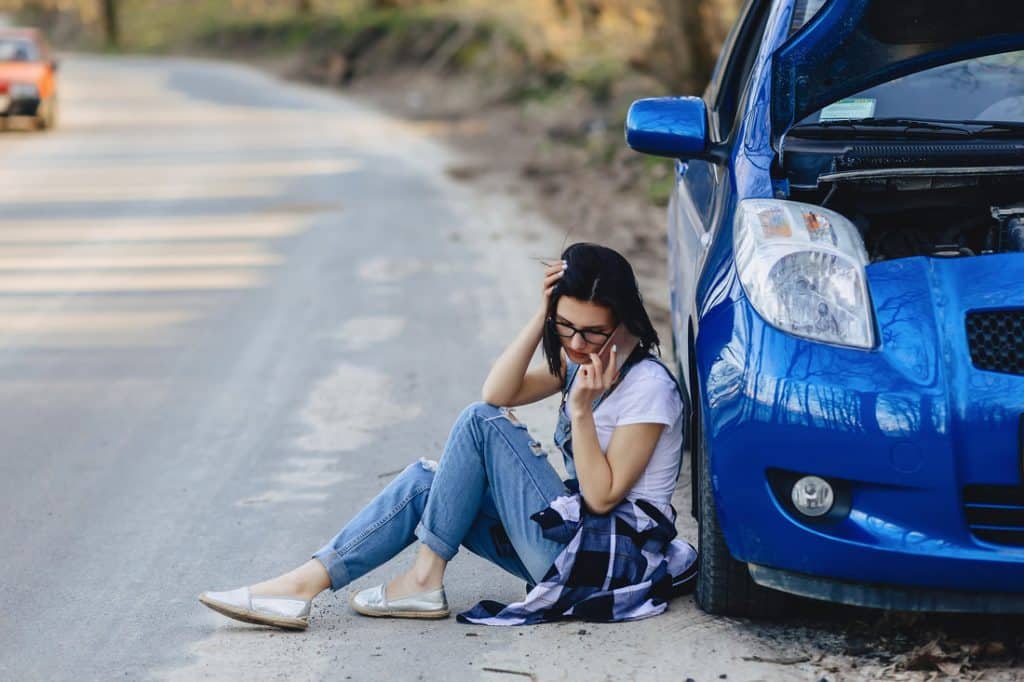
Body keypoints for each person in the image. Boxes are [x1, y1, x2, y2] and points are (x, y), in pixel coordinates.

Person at [199, 242, 696, 630]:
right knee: (425, 483)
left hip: (607, 565)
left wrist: (582, 412)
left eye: (592, 332)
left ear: (624, 321)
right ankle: (297, 588)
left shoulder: (648, 388)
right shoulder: (584, 359)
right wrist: (540, 317)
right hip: (568, 550)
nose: (577, 344)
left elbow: (603, 496)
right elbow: (498, 389)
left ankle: (422, 579)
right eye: (564, 327)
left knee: (481, 422)